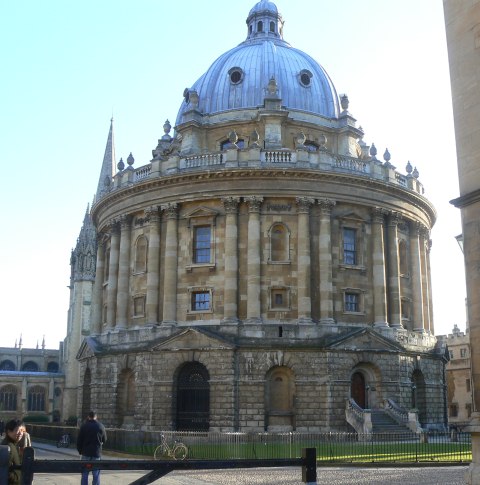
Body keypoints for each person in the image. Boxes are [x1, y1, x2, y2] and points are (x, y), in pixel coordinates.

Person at [76, 411, 107, 485]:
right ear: (96, 417)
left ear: (88, 417)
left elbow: (79, 441)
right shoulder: (101, 426)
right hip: (96, 453)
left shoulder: (84, 426)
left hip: (86, 453)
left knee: (84, 473)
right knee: (96, 474)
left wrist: (80, 451)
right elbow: (105, 439)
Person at [1, 419, 24, 484]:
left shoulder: (13, 444)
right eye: (17, 430)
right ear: (8, 431)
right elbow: (4, 470)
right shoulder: (7, 447)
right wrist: (16, 479)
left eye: (22, 430)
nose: (20, 433)